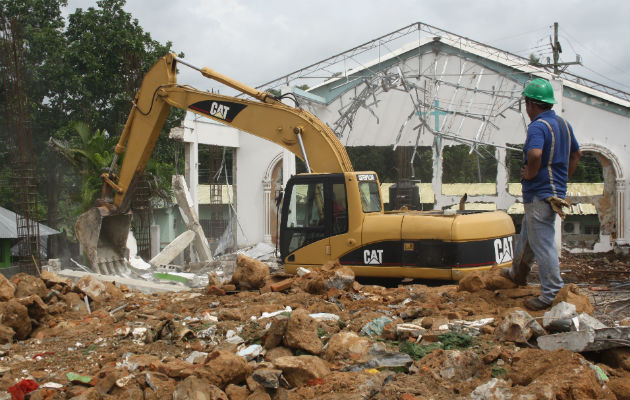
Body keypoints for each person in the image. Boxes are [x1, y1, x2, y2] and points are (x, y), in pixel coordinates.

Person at [502, 78, 582, 311]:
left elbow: (535, 154)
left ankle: (551, 293)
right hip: (553, 192)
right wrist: (561, 179)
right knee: (528, 236)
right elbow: (576, 154)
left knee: (543, 243)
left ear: (530, 104)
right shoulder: (563, 124)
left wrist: (531, 174)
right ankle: (518, 274)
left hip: (539, 193)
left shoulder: (537, 126)